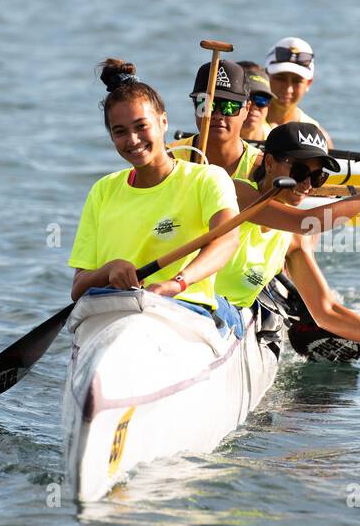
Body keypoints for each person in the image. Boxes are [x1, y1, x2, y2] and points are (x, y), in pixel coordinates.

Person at [216, 122, 360, 358]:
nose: (307, 185)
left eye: (317, 176)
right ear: (269, 163)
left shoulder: (293, 240)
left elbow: (326, 311)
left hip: (227, 324)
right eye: (300, 172)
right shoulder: (236, 193)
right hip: (192, 308)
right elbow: (305, 222)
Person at [68, 59, 241, 331]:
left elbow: (227, 241)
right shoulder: (103, 190)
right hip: (113, 313)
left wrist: (176, 283)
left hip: (185, 311)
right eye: (120, 132)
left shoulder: (207, 178)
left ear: (163, 121)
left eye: (141, 126)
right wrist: (109, 269)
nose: (133, 140)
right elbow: (78, 288)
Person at [169, 59, 260, 181]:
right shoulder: (169, 158)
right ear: (194, 106)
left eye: (229, 106)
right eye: (207, 105)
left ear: (247, 109)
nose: (217, 115)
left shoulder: (260, 167)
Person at [265, 37, 331, 143]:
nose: (288, 88)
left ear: (309, 83)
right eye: (280, 78)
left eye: (297, 81)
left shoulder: (318, 138)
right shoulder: (238, 123)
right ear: (266, 75)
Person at [238, 61, 274, 141]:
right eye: (246, 98)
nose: (252, 106)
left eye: (262, 99)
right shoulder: (206, 141)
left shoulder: (279, 141)